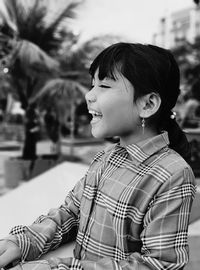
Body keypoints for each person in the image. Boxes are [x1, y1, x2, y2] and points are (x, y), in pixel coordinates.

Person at [0, 43, 196, 270]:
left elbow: (158, 264)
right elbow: (71, 213)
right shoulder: (105, 158)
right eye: (92, 84)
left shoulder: (173, 175)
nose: (89, 95)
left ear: (148, 104)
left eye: (104, 85)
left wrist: (57, 267)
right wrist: (25, 241)